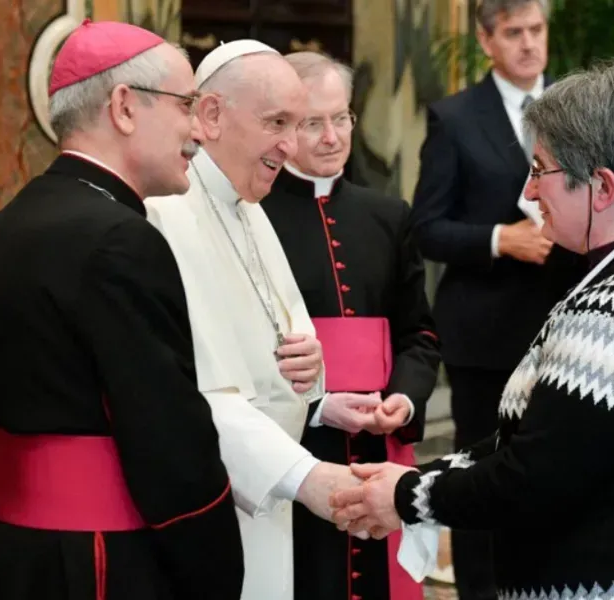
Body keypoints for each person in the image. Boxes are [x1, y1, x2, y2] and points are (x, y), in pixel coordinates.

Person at [331, 63, 614, 600]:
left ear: (601, 187)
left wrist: (410, 495)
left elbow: (536, 476)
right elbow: (536, 435)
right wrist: (416, 480)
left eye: (540, 169)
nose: (529, 193)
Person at [0, 20, 243, 600]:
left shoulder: (3, 227)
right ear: (125, 107)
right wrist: (215, 566)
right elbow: (167, 438)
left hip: (5, 551)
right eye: (186, 104)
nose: (197, 131)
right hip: (99, 560)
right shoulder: (119, 239)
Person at [144, 41, 372, 600]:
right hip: (220, 493)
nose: (290, 146)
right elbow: (198, 390)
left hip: (270, 490)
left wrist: (312, 370)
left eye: (298, 125)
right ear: (212, 115)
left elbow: (288, 343)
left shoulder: (249, 204)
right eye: (277, 122)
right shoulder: (166, 213)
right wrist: (309, 477)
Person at [408, 2, 584, 595]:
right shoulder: (455, 118)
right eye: (513, 33)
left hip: (570, 325)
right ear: (486, 40)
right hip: (484, 332)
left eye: (536, 31)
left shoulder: (580, 108)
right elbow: (426, 227)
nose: (529, 44)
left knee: (563, 470)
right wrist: (497, 238)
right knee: (482, 474)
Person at [260, 51, 441, 600]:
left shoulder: (387, 215)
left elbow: (420, 334)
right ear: (283, 127)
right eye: (314, 122)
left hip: (382, 446)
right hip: (294, 444)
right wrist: (316, 405)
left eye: (342, 118)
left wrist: (404, 401)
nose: (332, 136)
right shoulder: (254, 216)